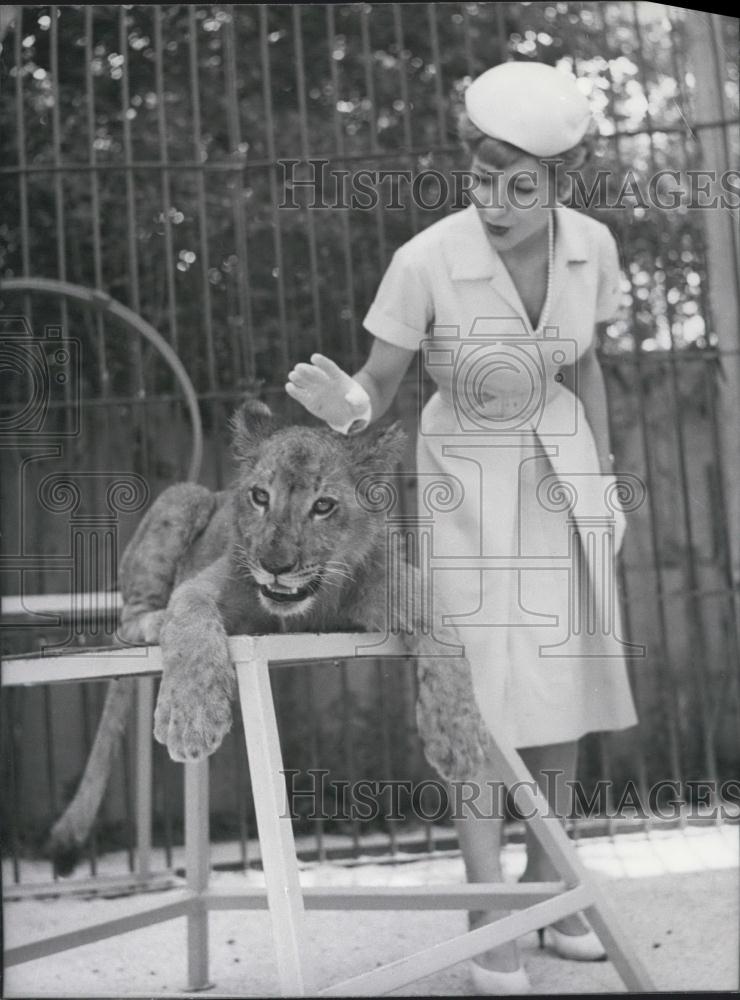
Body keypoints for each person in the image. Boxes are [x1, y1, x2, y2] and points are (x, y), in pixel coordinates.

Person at [285, 61, 638, 995]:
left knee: (567, 680)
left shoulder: (591, 246)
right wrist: (345, 404)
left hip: (564, 478)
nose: (495, 201)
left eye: (519, 184)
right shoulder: (427, 257)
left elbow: (590, 366)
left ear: (560, 181)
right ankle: (488, 912)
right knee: (473, 692)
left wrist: (602, 485)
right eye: (482, 179)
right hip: (463, 487)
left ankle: (549, 887)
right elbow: (380, 388)